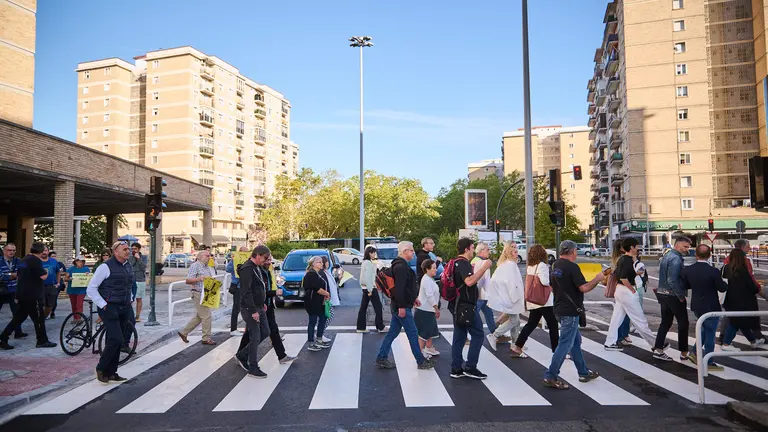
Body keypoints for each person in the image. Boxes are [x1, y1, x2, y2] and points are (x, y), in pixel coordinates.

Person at [543, 240, 604, 390]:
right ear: (573, 251)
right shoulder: (572, 267)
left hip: (558, 308)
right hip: (570, 311)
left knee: (575, 342)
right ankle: (551, 375)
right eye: (576, 250)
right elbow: (584, 288)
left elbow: (552, 287)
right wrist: (598, 278)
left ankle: (583, 372)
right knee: (565, 344)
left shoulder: (555, 266)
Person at [376, 241, 435, 370]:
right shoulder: (401, 267)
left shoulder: (399, 265)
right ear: (404, 252)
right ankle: (420, 361)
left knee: (393, 333)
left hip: (399, 305)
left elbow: (404, 289)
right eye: (411, 250)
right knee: (413, 333)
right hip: (401, 307)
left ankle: (381, 357)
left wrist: (413, 299)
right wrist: (402, 306)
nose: (413, 252)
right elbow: (399, 289)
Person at [86, 241, 135, 383]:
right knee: (116, 338)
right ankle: (101, 368)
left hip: (124, 306)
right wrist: (103, 305)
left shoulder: (128, 266)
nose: (128, 251)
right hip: (109, 307)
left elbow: (129, 285)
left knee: (115, 340)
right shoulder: (105, 267)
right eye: (124, 249)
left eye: (128, 249)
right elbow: (91, 289)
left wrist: (130, 298)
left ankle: (111, 372)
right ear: (116, 252)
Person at [603, 238, 659, 358]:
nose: (638, 249)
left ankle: (610, 342)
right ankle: (657, 345)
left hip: (620, 290)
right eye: (636, 247)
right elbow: (624, 278)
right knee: (639, 319)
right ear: (632, 248)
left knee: (617, 318)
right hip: (626, 291)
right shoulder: (627, 260)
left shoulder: (623, 259)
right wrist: (632, 289)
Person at [0, 242, 56, 350]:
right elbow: (44, 276)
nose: (45, 252)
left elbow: (19, 276)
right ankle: (42, 340)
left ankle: (3, 337)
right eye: (44, 250)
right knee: (39, 319)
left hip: (22, 294)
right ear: (40, 251)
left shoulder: (24, 260)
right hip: (33, 295)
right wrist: (47, 271)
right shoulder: (35, 260)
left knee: (18, 318)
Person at [450, 238, 492, 380]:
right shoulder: (464, 263)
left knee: (459, 336)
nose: (473, 251)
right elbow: (469, 281)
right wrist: (484, 268)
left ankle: (456, 368)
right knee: (478, 334)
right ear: (467, 249)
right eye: (472, 248)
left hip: (457, 304)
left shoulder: (455, 262)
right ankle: (470, 367)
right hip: (466, 305)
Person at [683, 244, 728, 371]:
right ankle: (709, 361)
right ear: (709, 255)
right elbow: (722, 287)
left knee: (703, 329)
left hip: (697, 305)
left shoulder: (688, 270)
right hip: (711, 305)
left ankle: (694, 352)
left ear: (696, 255)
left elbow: (686, 285)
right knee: (710, 333)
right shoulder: (713, 271)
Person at [510, 244, 558, 357]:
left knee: (531, 324)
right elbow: (545, 282)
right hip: (544, 301)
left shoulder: (530, 266)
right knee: (553, 325)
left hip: (533, 300)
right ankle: (556, 351)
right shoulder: (542, 266)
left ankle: (518, 346)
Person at [234, 246, 274, 378]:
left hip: (258, 306)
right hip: (250, 308)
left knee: (266, 332)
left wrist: (262, 303)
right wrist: (253, 310)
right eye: (264, 258)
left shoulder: (256, 267)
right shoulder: (248, 269)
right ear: (257, 255)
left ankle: (242, 355)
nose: (266, 261)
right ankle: (253, 367)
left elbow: (258, 287)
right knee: (255, 336)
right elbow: (246, 292)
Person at [718, 239, 765, 344]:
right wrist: (760, 292)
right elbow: (751, 283)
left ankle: (752, 341)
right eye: (747, 246)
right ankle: (726, 342)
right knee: (737, 321)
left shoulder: (725, 267)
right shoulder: (743, 268)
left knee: (738, 319)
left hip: (729, 299)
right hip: (743, 300)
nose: (749, 249)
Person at [654, 236, 691, 360]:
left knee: (665, 322)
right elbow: (672, 280)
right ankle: (684, 352)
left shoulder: (667, 255)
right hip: (673, 294)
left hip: (663, 293)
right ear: (677, 245)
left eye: (688, 247)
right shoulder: (676, 259)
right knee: (683, 323)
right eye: (685, 246)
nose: (687, 249)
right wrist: (680, 296)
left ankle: (658, 349)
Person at [487, 242, 527, 352]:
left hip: (508, 298)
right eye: (513, 247)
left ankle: (515, 344)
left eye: (516, 247)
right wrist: (514, 298)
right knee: (514, 320)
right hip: (512, 299)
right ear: (508, 250)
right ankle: (495, 335)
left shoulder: (504, 264)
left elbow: (495, 280)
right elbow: (513, 284)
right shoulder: (510, 265)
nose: (516, 249)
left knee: (516, 320)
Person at [177, 250, 217, 346]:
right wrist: (199, 279)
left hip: (206, 293)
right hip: (198, 293)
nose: (209, 257)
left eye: (210, 255)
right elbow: (188, 280)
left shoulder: (207, 266)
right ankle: (206, 338)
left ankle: (184, 332)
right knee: (207, 316)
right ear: (200, 257)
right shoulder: (195, 266)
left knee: (200, 316)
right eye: (207, 256)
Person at [303, 256, 331, 352]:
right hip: (312, 302)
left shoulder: (317, 273)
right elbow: (317, 288)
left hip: (319, 302)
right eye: (319, 262)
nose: (321, 263)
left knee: (323, 318)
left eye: (321, 262)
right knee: (312, 322)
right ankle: (311, 342)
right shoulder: (311, 274)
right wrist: (326, 293)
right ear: (313, 264)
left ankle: (319, 339)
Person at [356, 246, 385, 333]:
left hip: (365, 287)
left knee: (363, 308)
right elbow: (368, 277)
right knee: (378, 307)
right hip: (370, 288)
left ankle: (360, 327)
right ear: (369, 253)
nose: (374, 254)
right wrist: (370, 290)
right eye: (373, 253)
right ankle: (380, 327)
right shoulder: (368, 263)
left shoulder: (365, 262)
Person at [416, 259, 441, 358]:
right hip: (424, 309)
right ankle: (420, 351)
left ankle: (429, 347)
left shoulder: (429, 278)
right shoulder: (426, 279)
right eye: (434, 268)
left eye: (436, 267)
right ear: (427, 269)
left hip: (428, 309)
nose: (436, 270)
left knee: (430, 329)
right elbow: (429, 295)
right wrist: (436, 308)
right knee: (423, 332)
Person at [0, 243, 25, 339]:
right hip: (1, 291)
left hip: (14, 291)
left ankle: (18, 332)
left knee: (17, 313)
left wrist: (8, 275)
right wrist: (13, 275)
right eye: (9, 250)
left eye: (14, 250)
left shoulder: (18, 260)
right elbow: (1, 276)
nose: (12, 252)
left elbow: (24, 272)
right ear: (4, 251)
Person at [471, 242, 497, 337]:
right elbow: (481, 278)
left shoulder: (474, 260)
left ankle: (494, 333)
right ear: (481, 251)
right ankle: (494, 334)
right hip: (480, 294)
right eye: (487, 249)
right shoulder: (482, 262)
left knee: (488, 313)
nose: (489, 252)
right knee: (475, 314)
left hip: (481, 293)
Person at [610, 241, 631, 346]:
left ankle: (619, 336)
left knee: (619, 314)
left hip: (618, 289)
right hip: (624, 289)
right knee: (624, 315)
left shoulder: (615, 259)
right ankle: (621, 336)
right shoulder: (624, 259)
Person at [226, 246, 249, 336]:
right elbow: (228, 269)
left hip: (247, 287)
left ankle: (249, 328)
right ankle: (233, 329)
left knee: (248, 308)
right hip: (238, 287)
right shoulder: (234, 260)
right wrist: (233, 260)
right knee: (236, 308)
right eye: (244, 252)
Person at [320, 255, 340, 343]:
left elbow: (331, 283)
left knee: (327, 316)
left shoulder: (326, 271)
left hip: (328, 298)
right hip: (326, 298)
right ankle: (319, 334)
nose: (328, 263)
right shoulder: (322, 273)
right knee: (328, 316)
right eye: (327, 261)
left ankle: (320, 333)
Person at [66, 256, 90, 322]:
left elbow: (89, 277)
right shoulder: (71, 269)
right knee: (73, 305)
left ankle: (79, 318)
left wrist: (88, 275)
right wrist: (69, 279)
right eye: (79, 261)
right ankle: (75, 318)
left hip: (82, 290)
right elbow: (65, 278)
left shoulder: (86, 269)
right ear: (76, 261)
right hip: (72, 290)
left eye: (82, 261)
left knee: (79, 304)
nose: (81, 263)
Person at [127, 243, 147, 323]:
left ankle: (138, 316)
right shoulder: (129, 257)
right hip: (131, 279)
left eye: (135, 249)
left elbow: (143, 267)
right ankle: (129, 315)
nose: (133, 250)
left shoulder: (144, 257)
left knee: (139, 298)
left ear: (139, 249)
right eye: (132, 249)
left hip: (140, 279)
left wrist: (138, 259)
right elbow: (129, 266)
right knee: (130, 299)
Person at [41, 248, 62, 319]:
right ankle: (39, 320)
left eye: (45, 250)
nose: (44, 252)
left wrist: (58, 283)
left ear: (48, 252)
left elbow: (58, 272)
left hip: (52, 286)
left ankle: (42, 318)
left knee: (50, 306)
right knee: (41, 305)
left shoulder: (53, 261)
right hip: (40, 286)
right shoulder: (36, 261)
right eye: (42, 250)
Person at [49, 251, 67, 320]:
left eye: (55, 256)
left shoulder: (60, 264)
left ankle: (52, 312)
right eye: (52, 256)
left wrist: (59, 273)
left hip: (58, 284)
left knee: (54, 298)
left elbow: (65, 272)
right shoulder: (48, 264)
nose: (54, 258)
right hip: (49, 284)